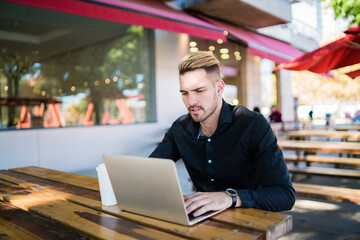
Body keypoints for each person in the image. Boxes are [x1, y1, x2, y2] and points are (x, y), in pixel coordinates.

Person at [150, 51, 294, 217]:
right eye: (185, 93)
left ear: (219, 88)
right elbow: (150, 171)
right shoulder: (179, 129)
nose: (191, 102)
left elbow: (285, 195)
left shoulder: (251, 124)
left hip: (251, 223)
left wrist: (231, 198)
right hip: (202, 221)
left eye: (199, 91)